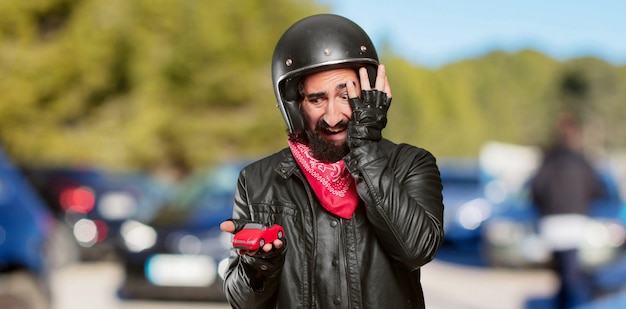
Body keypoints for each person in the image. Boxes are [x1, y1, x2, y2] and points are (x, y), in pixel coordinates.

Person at [219, 14, 444, 308]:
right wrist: (260, 265)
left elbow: (416, 250)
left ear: (368, 96)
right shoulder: (257, 180)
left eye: (346, 95)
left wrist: (364, 148)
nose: (333, 116)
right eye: (316, 99)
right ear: (296, 107)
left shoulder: (411, 164)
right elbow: (241, 303)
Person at [531, 113, 604, 309]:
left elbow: (535, 190)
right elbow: (597, 189)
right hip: (574, 222)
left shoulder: (548, 161)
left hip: (552, 223)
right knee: (571, 273)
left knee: (564, 273)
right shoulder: (582, 162)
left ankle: (566, 303)